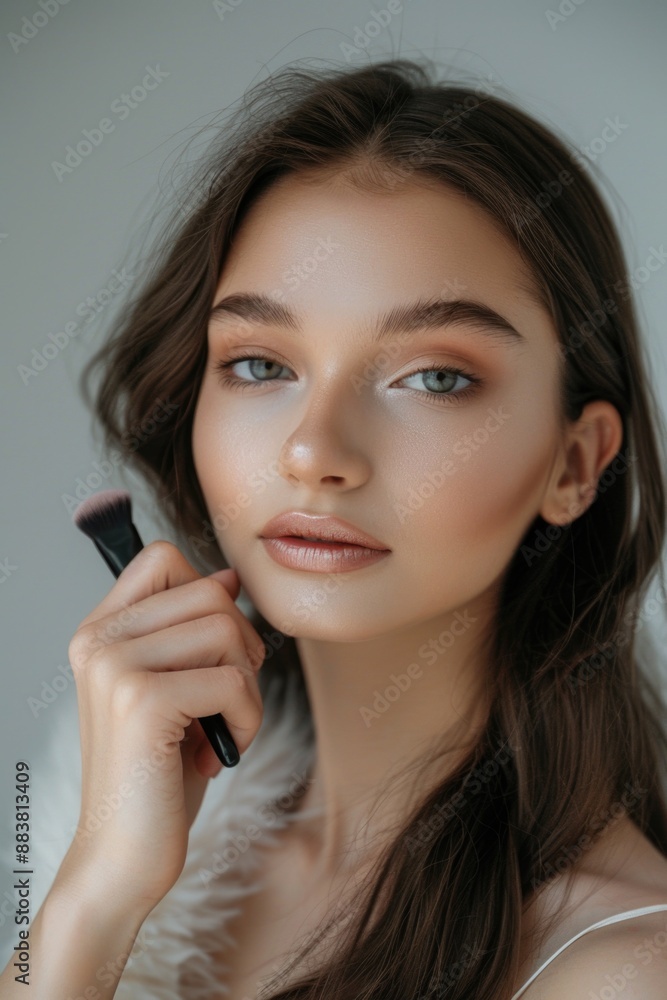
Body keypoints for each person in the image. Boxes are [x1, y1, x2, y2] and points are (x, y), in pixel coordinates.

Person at [3, 57, 667, 999]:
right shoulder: (154, 844)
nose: (315, 450)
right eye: (261, 365)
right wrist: (93, 893)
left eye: (434, 377)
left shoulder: (621, 970)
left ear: (573, 463)